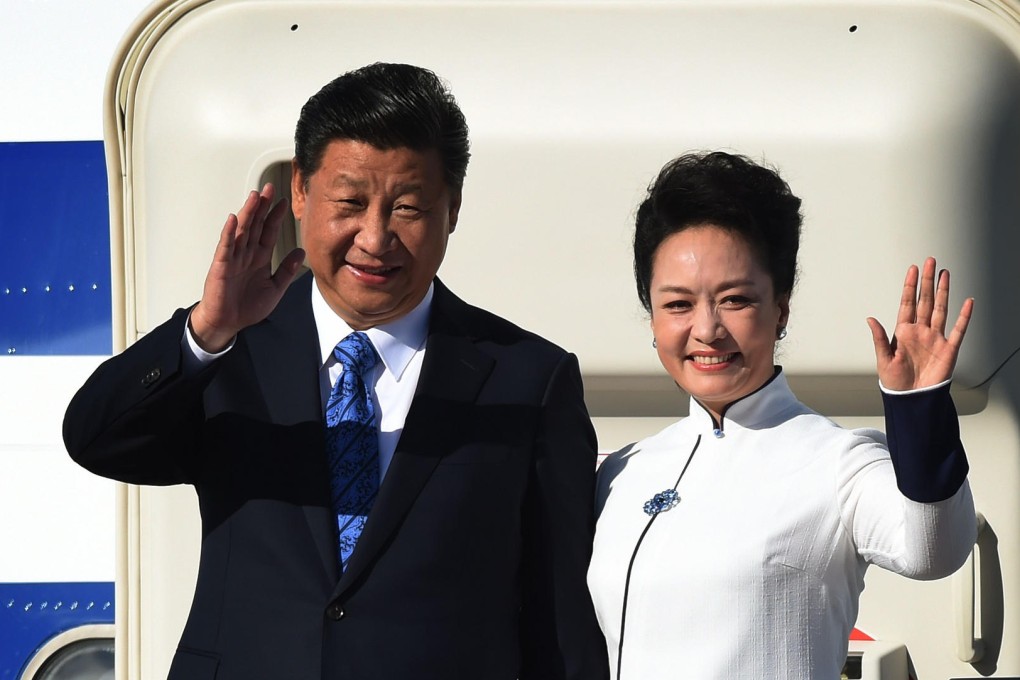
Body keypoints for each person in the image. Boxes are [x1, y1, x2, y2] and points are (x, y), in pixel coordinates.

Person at [64, 63, 608, 680]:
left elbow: (559, 616)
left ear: (452, 208)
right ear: (301, 191)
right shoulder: (233, 351)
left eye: (407, 208)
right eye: (349, 203)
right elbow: (94, 439)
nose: (374, 239)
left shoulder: (528, 380)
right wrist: (207, 331)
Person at [586, 151, 977, 679]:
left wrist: (919, 408)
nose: (706, 329)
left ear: (781, 309)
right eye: (678, 305)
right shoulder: (622, 470)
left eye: (736, 300)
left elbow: (935, 550)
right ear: (651, 317)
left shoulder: (840, 460)